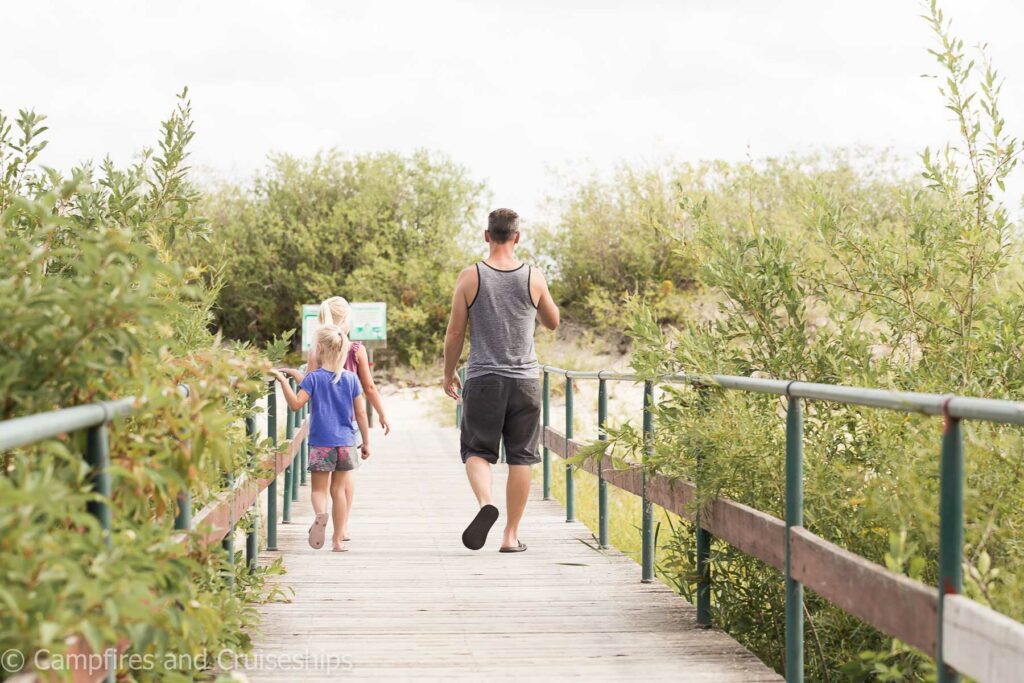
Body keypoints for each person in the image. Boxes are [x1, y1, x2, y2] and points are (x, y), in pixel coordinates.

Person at [442, 208, 560, 552]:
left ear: (486, 235)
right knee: (522, 456)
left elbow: (454, 332)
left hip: (482, 379)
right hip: (525, 380)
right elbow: (552, 322)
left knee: (477, 451)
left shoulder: (470, 276)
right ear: (517, 237)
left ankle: (485, 504)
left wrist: (449, 374)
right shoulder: (533, 276)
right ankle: (510, 536)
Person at [281, 296, 389, 541]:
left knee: (321, 485)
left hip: (322, 428)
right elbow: (369, 387)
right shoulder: (355, 348)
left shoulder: (317, 347)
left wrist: (291, 377)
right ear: (347, 318)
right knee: (344, 480)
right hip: (348, 423)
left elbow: (309, 383)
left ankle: (323, 517)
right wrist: (381, 414)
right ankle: (342, 531)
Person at [275, 325, 369, 552]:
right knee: (339, 492)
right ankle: (337, 541)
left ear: (319, 349)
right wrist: (366, 441)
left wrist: (283, 381)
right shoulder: (351, 379)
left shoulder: (314, 379)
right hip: (346, 443)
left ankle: (320, 515)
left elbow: (296, 405)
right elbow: (361, 413)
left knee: (319, 491)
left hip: (321, 443)